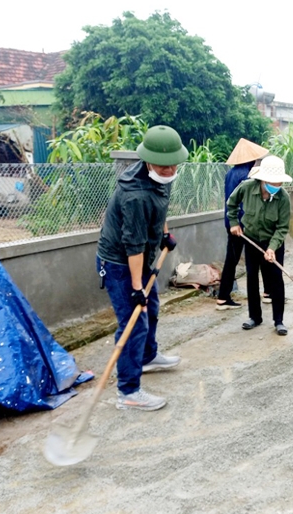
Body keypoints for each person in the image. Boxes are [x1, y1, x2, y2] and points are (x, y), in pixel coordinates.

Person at [96, 125, 188, 411]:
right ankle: (129, 391)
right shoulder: (134, 194)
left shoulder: (163, 174)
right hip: (120, 264)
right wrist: (137, 287)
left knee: (153, 309)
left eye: (173, 164)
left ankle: (147, 357)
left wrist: (163, 233)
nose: (169, 169)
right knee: (134, 322)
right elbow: (132, 244)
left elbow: (160, 208)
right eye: (164, 166)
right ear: (149, 161)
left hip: (143, 256)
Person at [227, 155, 291, 336]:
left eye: (279, 182)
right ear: (263, 180)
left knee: (276, 280)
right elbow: (231, 204)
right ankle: (255, 317)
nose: (277, 185)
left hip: (273, 243)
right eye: (273, 182)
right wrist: (233, 222)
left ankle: (279, 321)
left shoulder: (283, 198)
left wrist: (272, 248)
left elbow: (282, 227)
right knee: (252, 278)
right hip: (251, 239)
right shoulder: (247, 188)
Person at [215, 138, 269, 311]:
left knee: (232, 258)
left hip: (231, 222)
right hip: (240, 224)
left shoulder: (231, 173)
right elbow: (242, 202)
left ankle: (223, 296)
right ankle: (267, 293)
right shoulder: (246, 175)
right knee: (257, 257)